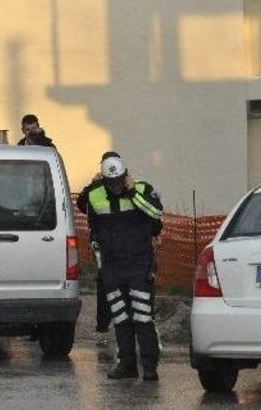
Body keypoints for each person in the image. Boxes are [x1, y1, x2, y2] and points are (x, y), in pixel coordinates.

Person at [83, 155, 163, 381]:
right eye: (111, 184)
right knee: (120, 317)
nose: (116, 188)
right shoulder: (95, 194)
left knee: (142, 316)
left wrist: (132, 192)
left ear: (125, 176)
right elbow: (88, 214)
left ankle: (149, 367)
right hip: (112, 266)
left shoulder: (143, 189)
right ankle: (127, 364)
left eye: (119, 183)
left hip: (139, 264)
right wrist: (93, 183)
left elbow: (156, 214)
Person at [76, 151, 123, 334]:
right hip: (108, 241)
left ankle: (105, 322)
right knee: (107, 279)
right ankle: (107, 320)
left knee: (106, 280)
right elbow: (82, 204)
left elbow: (81, 204)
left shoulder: (98, 188)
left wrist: (93, 184)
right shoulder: (118, 186)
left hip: (103, 240)